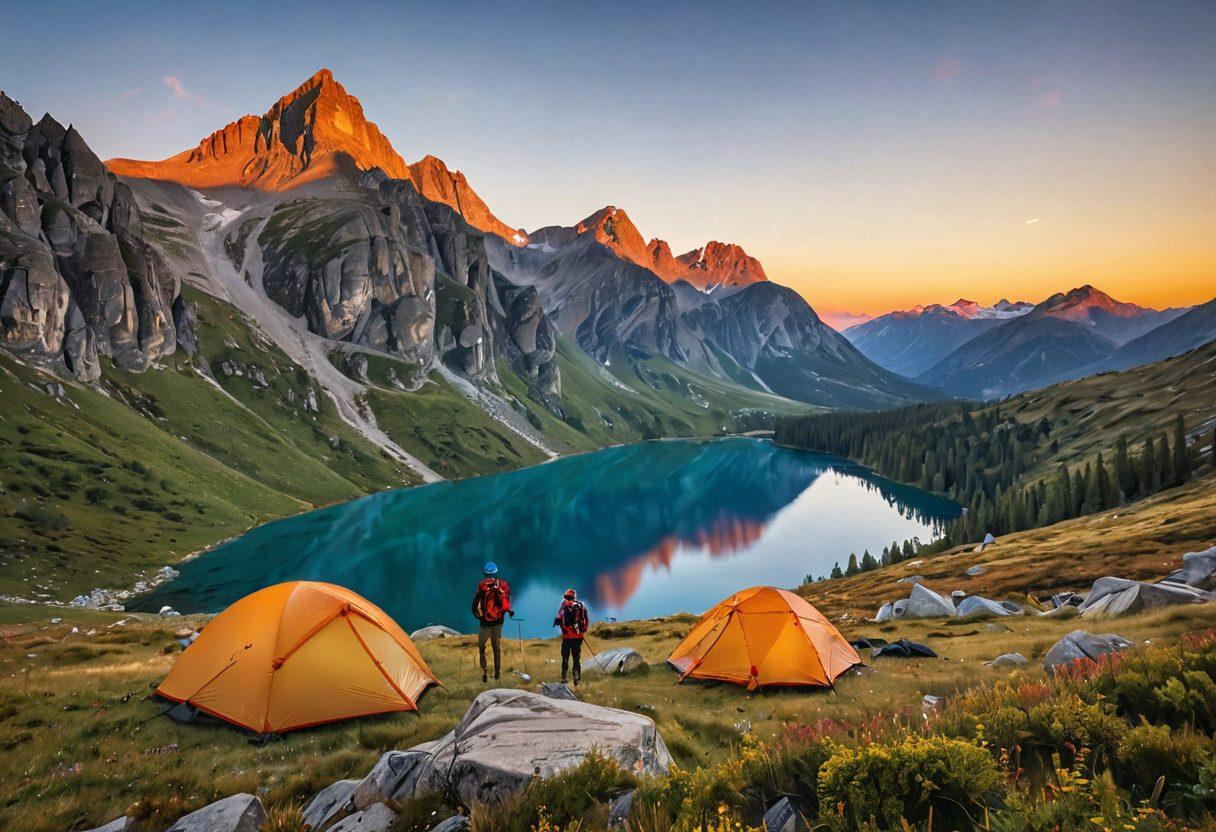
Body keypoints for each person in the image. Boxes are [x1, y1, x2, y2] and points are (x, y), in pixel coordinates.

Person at [471, 562, 512, 682]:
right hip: (498, 623)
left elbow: (475, 603)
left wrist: (477, 615)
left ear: (485, 574)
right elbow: (507, 603)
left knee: (481, 646)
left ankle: (484, 670)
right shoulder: (503, 585)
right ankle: (497, 674)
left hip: (485, 623)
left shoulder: (482, 585)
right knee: (496, 648)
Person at [553, 588, 589, 685]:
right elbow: (559, 616)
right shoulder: (567, 606)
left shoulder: (578, 607)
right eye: (566, 597)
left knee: (572, 658)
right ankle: (567, 678)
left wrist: (581, 631)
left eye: (568, 598)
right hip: (570, 637)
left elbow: (585, 621)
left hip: (574, 638)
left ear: (573, 598)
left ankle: (573, 679)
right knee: (568, 658)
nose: (567, 599)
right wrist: (557, 620)